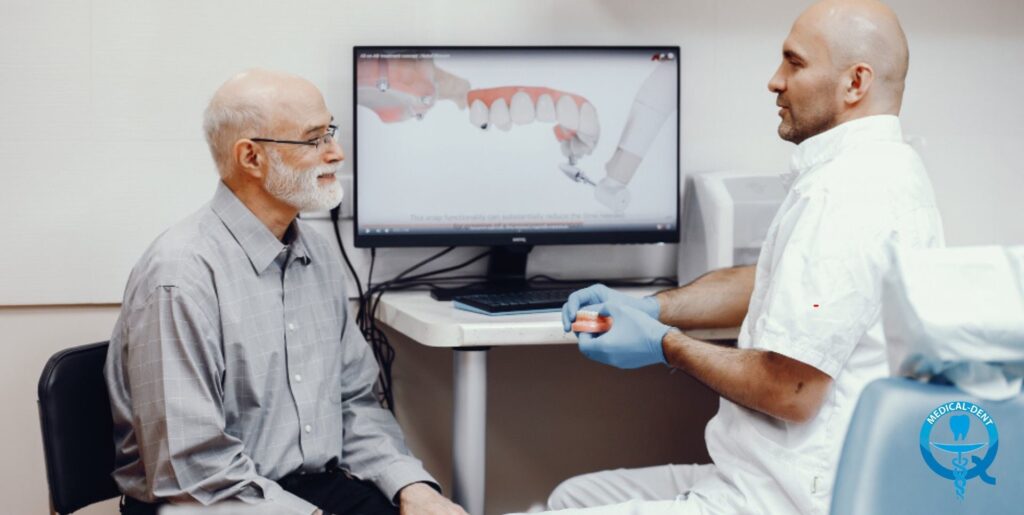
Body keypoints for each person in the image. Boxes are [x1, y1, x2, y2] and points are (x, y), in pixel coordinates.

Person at [551, 0, 944, 513]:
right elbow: (772, 282)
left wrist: (664, 345)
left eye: (795, 63)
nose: (775, 81)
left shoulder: (848, 194)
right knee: (571, 497)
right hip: (759, 474)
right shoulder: (878, 167)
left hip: (789, 498)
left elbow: (791, 389)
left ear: (855, 83)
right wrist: (651, 307)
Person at [104, 69, 467, 515]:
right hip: (211, 502)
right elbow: (192, 469)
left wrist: (412, 488)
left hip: (311, 490)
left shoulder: (314, 253)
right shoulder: (180, 276)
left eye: (329, 132)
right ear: (251, 158)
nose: (336, 153)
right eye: (314, 139)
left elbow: (353, 404)